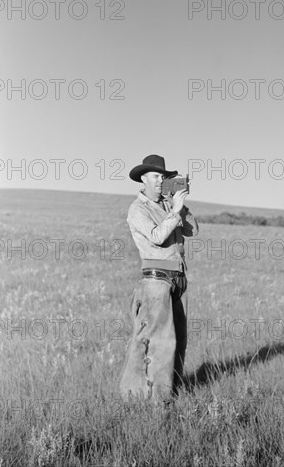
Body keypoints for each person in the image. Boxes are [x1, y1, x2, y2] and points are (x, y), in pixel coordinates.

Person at [119, 154, 199, 402]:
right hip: (155, 282)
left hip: (175, 280)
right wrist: (174, 212)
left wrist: (180, 206)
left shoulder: (167, 206)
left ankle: (171, 392)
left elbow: (192, 230)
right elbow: (156, 236)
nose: (160, 180)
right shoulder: (137, 209)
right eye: (156, 176)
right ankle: (155, 401)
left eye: (163, 177)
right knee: (158, 345)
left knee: (178, 340)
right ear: (143, 179)